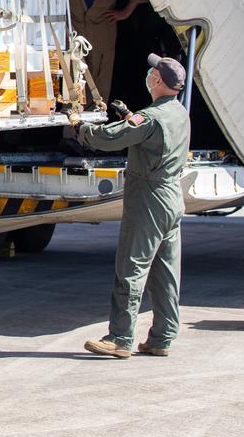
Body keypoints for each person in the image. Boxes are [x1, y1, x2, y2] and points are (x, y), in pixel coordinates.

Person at [75, 54, 191, 358]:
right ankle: (162, 337)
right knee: (165, 272)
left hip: (149, 199)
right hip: (171, 198)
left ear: (157, 81)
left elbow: (111, 139)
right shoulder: (178, 112)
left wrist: (80, 127)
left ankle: (120, 338)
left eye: (151, 72)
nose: (148, 75)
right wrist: (129, 115)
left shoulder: (151, 118)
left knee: (132, 266)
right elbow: (145, 133)